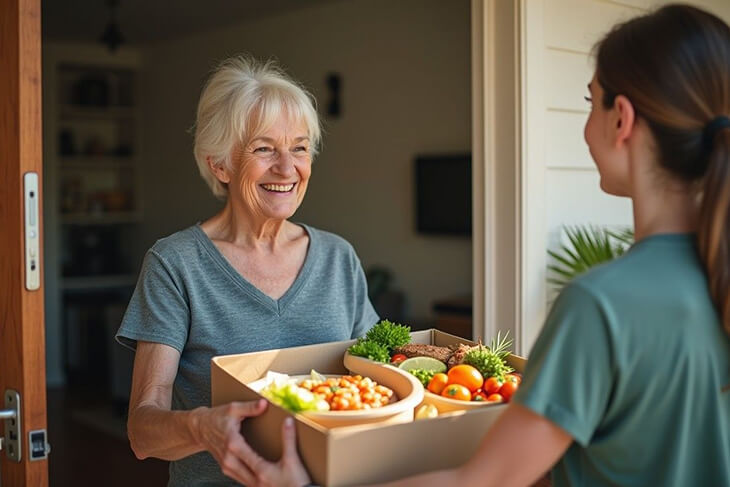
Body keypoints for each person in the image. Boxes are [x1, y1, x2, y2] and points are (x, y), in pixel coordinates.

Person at [241, 4, 730, 486]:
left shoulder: (603, 306)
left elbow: (480, 481)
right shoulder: (713, 279)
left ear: (621, 119)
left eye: (590, 102)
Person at [115, 55, 379, 487]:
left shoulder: (338, 257)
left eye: (298, 147)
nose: (287, 167)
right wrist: (202, 428)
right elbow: (143, 432)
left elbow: (375, 378)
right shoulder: (176, 263)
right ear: (220, 164)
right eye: (263, 149)